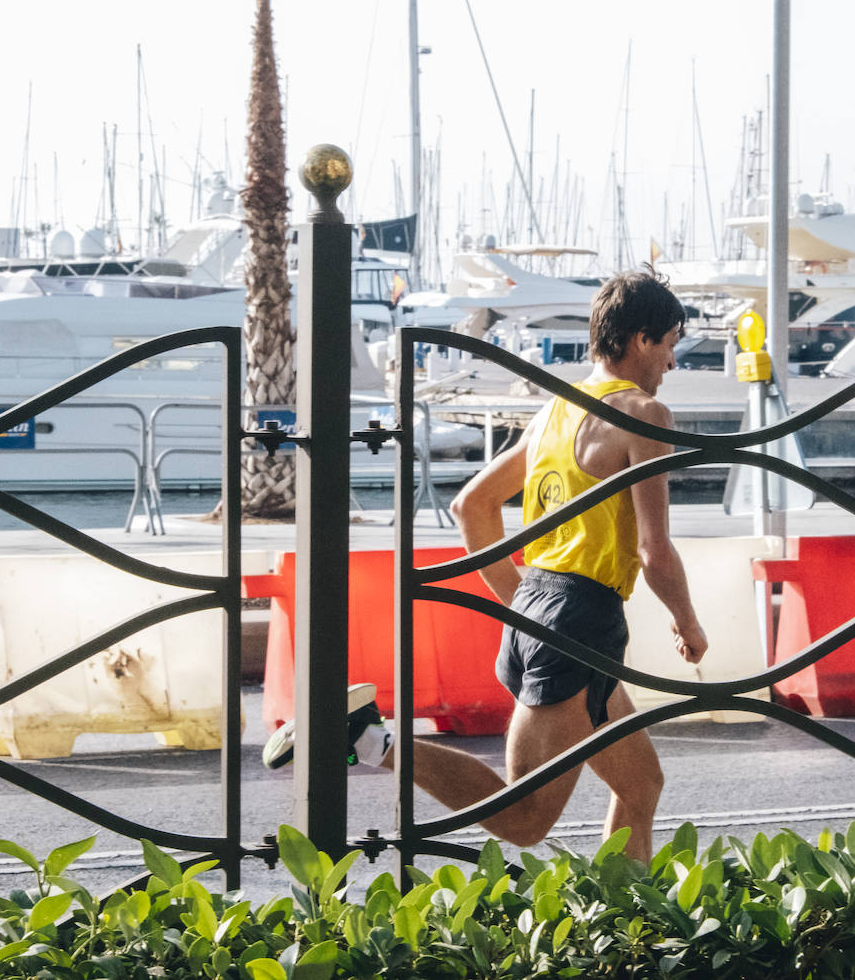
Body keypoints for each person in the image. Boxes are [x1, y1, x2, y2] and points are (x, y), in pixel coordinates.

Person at [264, 265, 707, 862]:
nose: (672, 364)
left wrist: (523, 602)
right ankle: (368, 739)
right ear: (642, 340)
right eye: (672, 345)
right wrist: (687, 620)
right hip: (581, 619)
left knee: (641, 784)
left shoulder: (557, 410)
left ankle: (625, 927)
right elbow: (654, 550)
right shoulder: (641, 415)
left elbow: (471, 506)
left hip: (548, 608)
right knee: (525, 819)